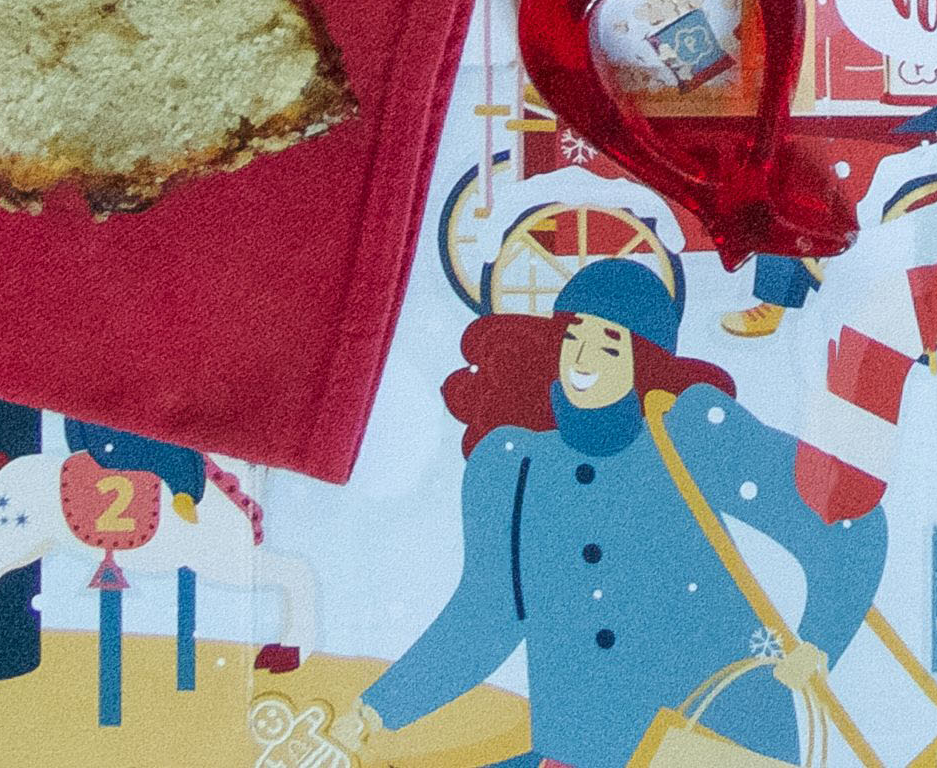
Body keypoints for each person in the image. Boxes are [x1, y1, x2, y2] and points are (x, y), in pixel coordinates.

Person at [361, 257, 885, 768]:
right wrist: (377, 711)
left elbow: (847, 516)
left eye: (609, 345)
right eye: (573, 338)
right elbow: (486, 615)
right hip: (582, 747)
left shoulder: (690, 433)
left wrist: (820, 642)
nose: (583, 360)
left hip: (715, 737)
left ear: (644, 361)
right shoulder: (512, 467)